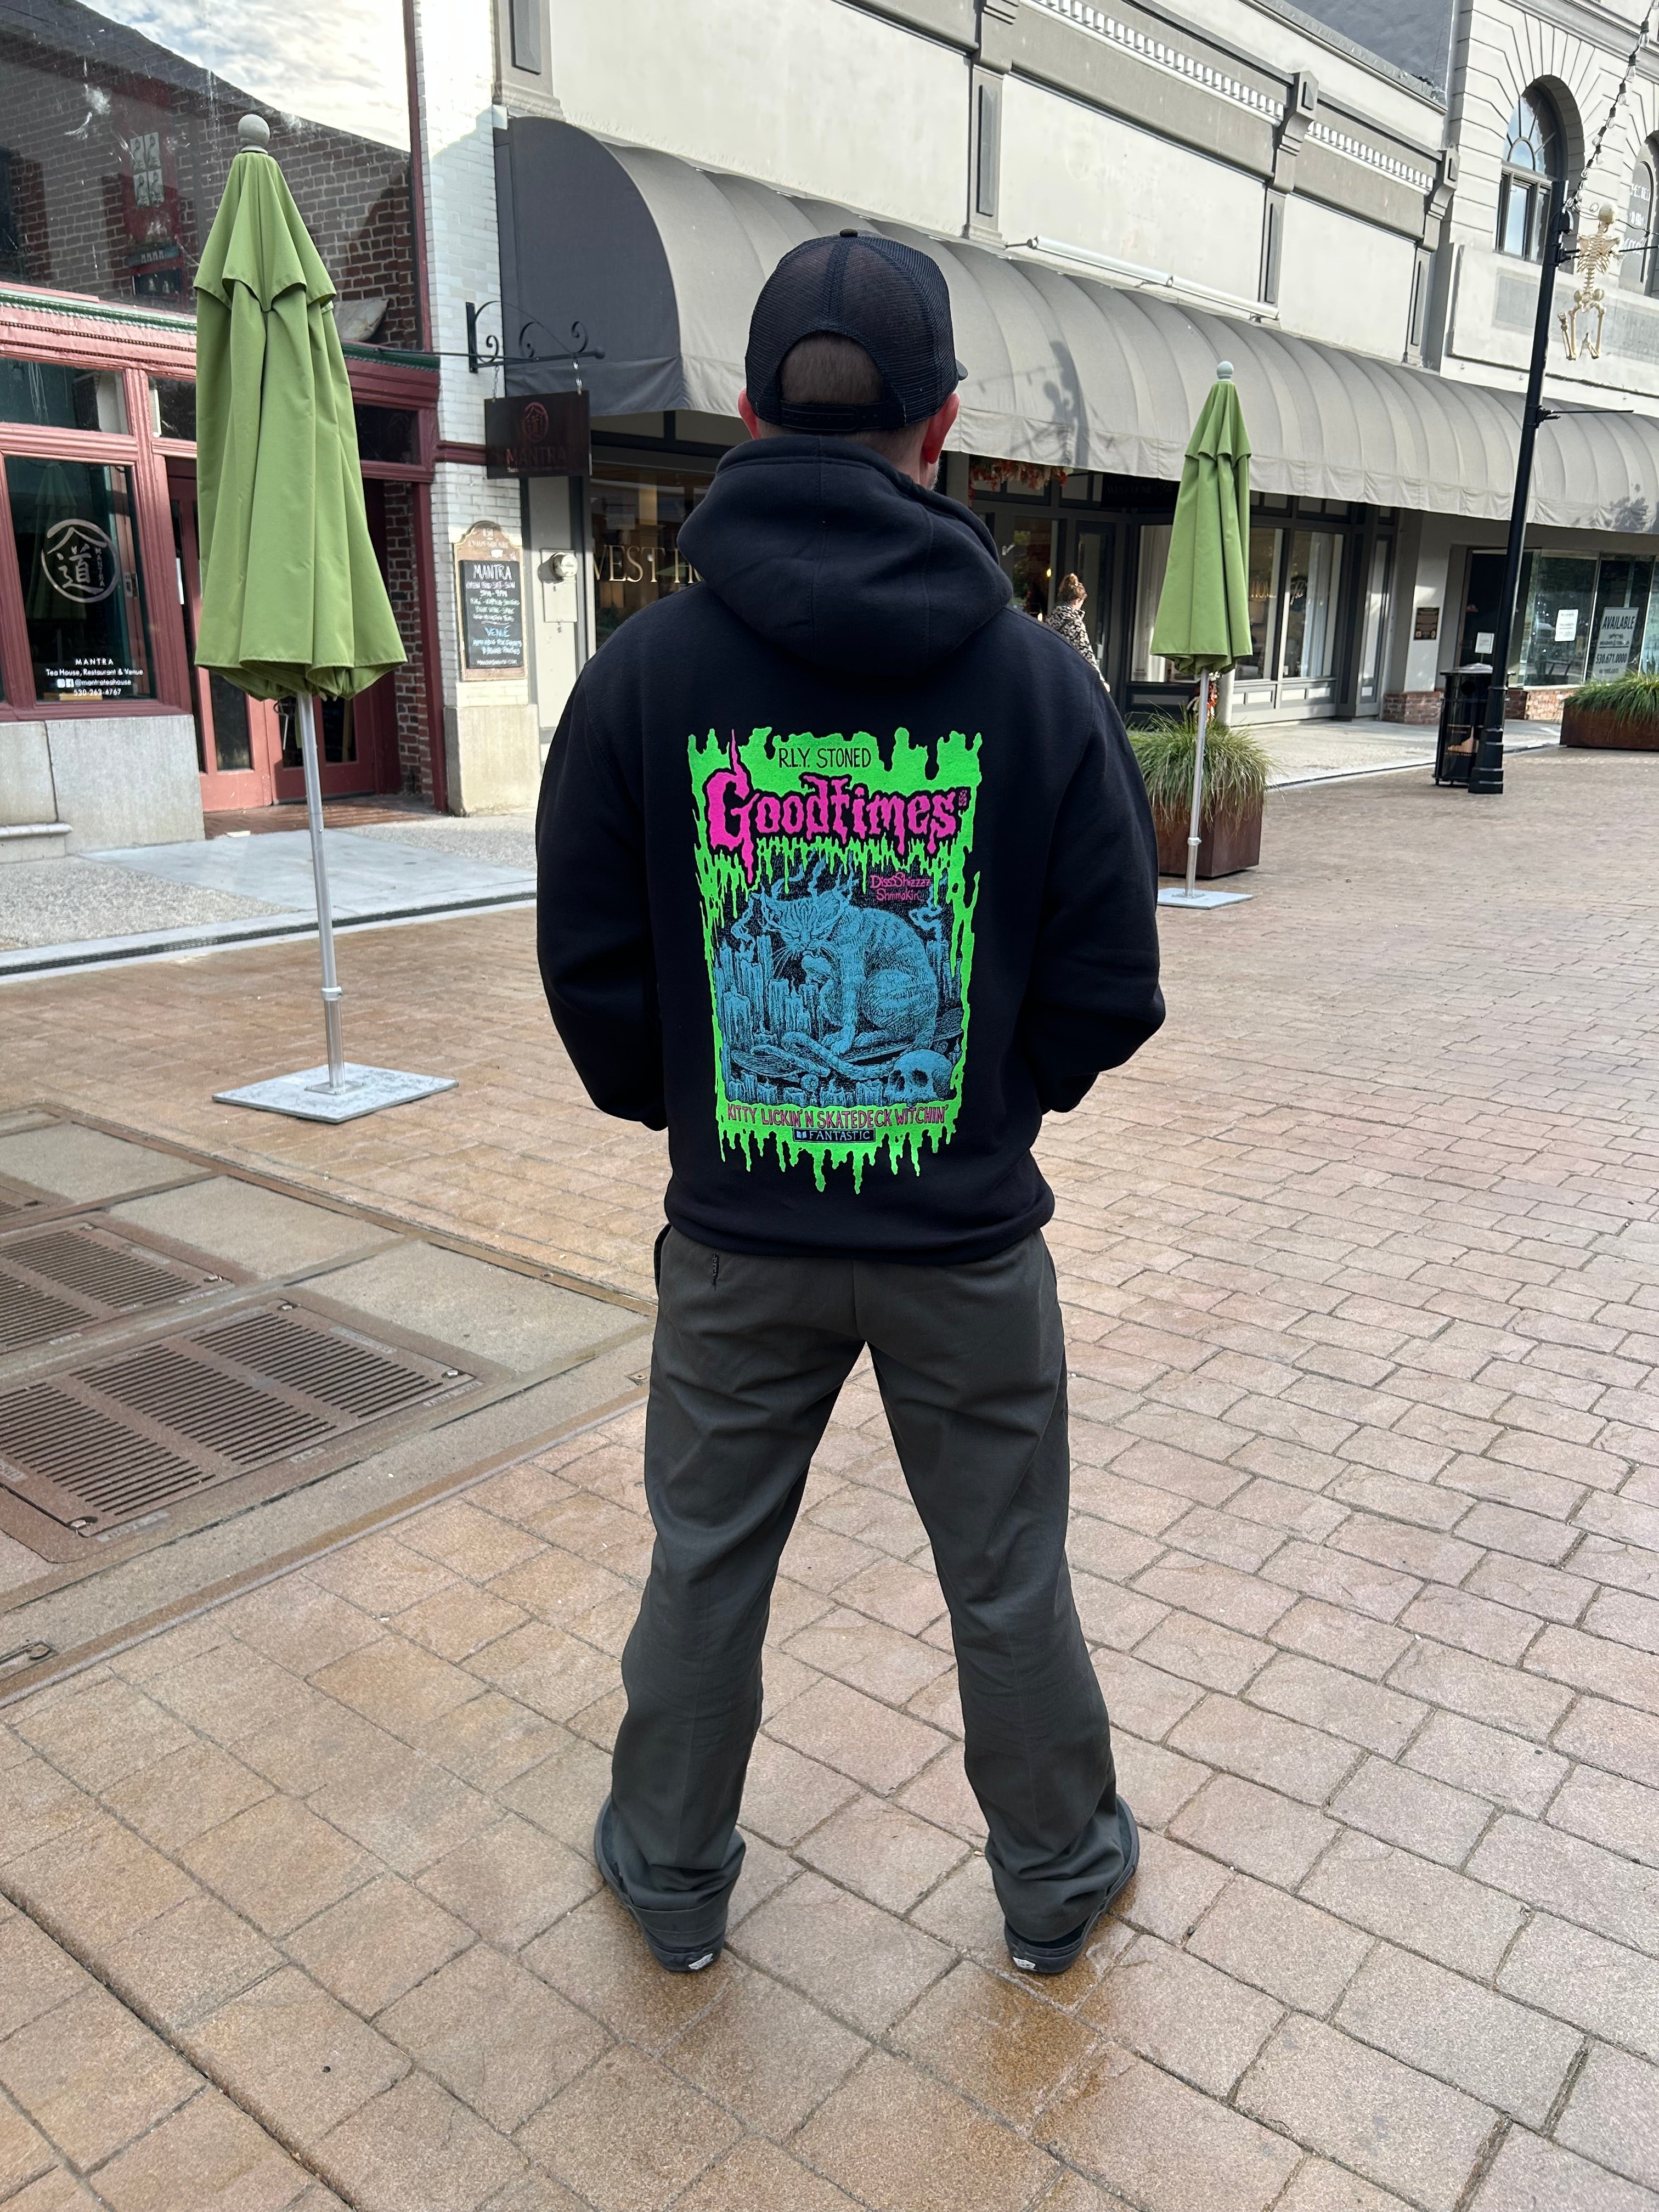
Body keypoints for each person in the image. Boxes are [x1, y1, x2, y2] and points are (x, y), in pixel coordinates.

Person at [537, 230, 1164, 1982]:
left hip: (737, 1239)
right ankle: (1057, 1881)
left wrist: (702, 1112)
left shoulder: (640, 679)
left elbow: (591, 972)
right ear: (941, 426)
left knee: (705, 1565)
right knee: (1008, 1578)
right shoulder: (1042, 682)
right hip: (966, 1244)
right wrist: (988, 1107)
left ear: (747, 415)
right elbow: (1115, 981)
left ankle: (672, 1881)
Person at [1049, 571, 1107, 684]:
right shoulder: (1075, 624)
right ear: (1077, 601)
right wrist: (1100, 682)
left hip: (1049, 674)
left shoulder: (1051, 619)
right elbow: (1086, 653)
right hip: (1067, 678)